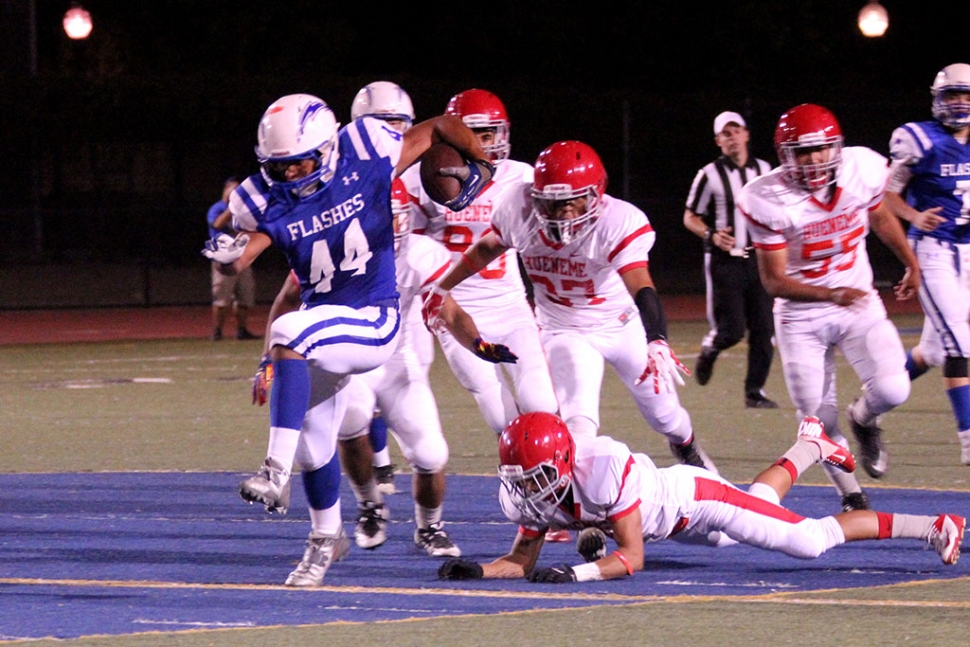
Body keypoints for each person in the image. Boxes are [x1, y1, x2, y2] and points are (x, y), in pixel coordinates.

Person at [202, 92, 493, 586]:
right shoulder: (264, 195)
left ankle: (273, 471)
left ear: (327, 148)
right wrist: (224, 250)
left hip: (373, 319)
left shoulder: (366, 148)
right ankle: (324, 540)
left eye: (300, 164)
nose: (290, 175)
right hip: (324, 331)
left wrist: (483, 166)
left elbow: (442, 124)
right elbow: (238, 250)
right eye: (280, 167)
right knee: (315, 449)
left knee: (289, 329)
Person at [253, 178, 516, 557]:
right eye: (380, 217)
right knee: (350, 424)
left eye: (395, 218)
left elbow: (450, 309)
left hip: (400, 361)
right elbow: (287, 300)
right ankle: (369, 504)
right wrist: (268, 358)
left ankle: (430, 527)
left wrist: (477, 343)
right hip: (350, 359)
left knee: (430, 454)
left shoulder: (421, 253)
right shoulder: (331, 243)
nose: (390, 227)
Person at [424, 140, 717, 473]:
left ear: (596, 196)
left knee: (665, 415)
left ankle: (685, 444)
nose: (564, 213)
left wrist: (657, 338)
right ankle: (586, 511)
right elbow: (486, 249)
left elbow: (641, 286)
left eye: (573, 202)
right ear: (537, 197)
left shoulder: (617, 221)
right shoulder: (518, 210)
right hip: (564, 330)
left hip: (621, 325)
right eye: (554, 203)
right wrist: (444, 285)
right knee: (578, 426)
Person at [437, 412, 964, 583]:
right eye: (519, 476)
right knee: (760, 504)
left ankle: (936, 524)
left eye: (534, 475)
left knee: (808, 539)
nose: (527, 487)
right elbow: (520, 558)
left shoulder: (598, 468)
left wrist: (578, 573)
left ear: (562, 462)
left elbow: (632, 557)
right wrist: (480, 571)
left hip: (698, 499)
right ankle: (810, 445)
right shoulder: (534, 491)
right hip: (680, 518)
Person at [737, 104, 920, 511]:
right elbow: (773, 281)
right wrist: (829, 294)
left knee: (894, 387)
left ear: (837, 146)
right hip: (802, 314)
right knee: (817, 420)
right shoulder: (765, 198)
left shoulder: (863, 168)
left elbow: (880, 217)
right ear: (785, 156)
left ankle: (865, 418)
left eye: (821, 149)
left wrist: (911, 261)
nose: (815, 159)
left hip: (857, 301)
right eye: (802, 152)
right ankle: (852, 496)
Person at [406, 89, 560, 436]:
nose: (479, 143)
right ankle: (520, 481)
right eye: (470, 133)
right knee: (500, 416)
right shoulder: (421, 179)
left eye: (486, 134)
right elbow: (409, 252)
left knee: (541, 401)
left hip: (509, 305)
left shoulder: (521, 177)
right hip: (452, 309)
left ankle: (563, 474)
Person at [882, 63, 970, 466]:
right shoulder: (920, 139)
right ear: (937, 100)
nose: (959, 102)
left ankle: (868, 406)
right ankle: (969, 440)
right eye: (951, 95)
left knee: (934, 351)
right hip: (933, 251)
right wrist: (915, 217)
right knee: (961, 344)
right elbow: (885, 196)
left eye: (965, 95)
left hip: (968, 253)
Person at [348, 80, 423, 494]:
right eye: (382, 125)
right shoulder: (349, 174)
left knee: (410, 378)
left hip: (417, 284)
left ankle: (409, 460)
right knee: (367, 375)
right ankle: (380, 462)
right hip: (365, 281)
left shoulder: (420, 168)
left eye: (398, 125)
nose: (391, 135)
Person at [684, 111, 776, 408]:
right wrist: (711, 234)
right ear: (718, 141)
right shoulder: (709, 174)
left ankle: (754, 392)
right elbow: (690, 217)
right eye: (726, 133)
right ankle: (711, 348)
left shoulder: (764, 169)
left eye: (736, 131)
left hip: (759, 259)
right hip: (726, 262)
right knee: (732, 330)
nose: (732, 137)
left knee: (764, 330)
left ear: (746, 134)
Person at [206, 176, 258, 341]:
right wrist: (231, 209)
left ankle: (242, 330)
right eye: (234, 189)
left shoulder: (242, 210)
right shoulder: (218, 208)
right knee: (222, 297)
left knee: (245, 296)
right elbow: (216, 224)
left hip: (241, 256)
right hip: (223, 257)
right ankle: (217, 331)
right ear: (226, 190)